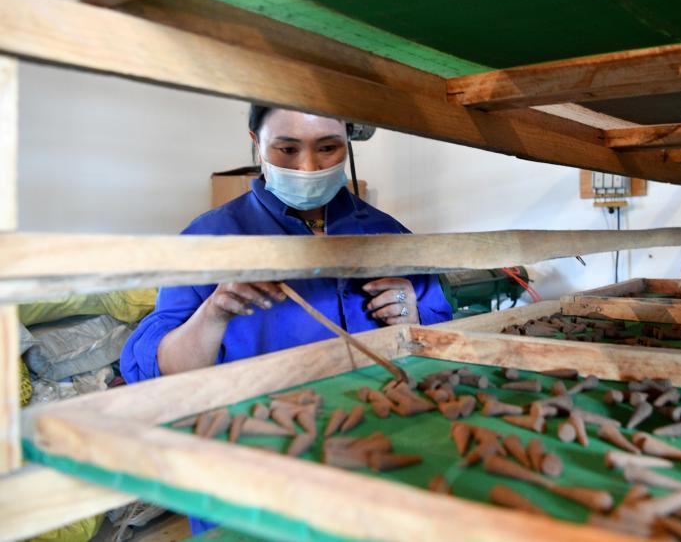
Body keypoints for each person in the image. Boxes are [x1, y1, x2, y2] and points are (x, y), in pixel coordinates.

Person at [120, 105, 453, 534]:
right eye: (287, 149)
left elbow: (440, 345)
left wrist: (413, 312)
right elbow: (161, 373)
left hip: (375, 454)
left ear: (348, 144)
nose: (308, 167)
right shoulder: (209, 239)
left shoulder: (389, 234)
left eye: (328, 148)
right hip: (252, 469)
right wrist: (214, 313)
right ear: (256, 144)